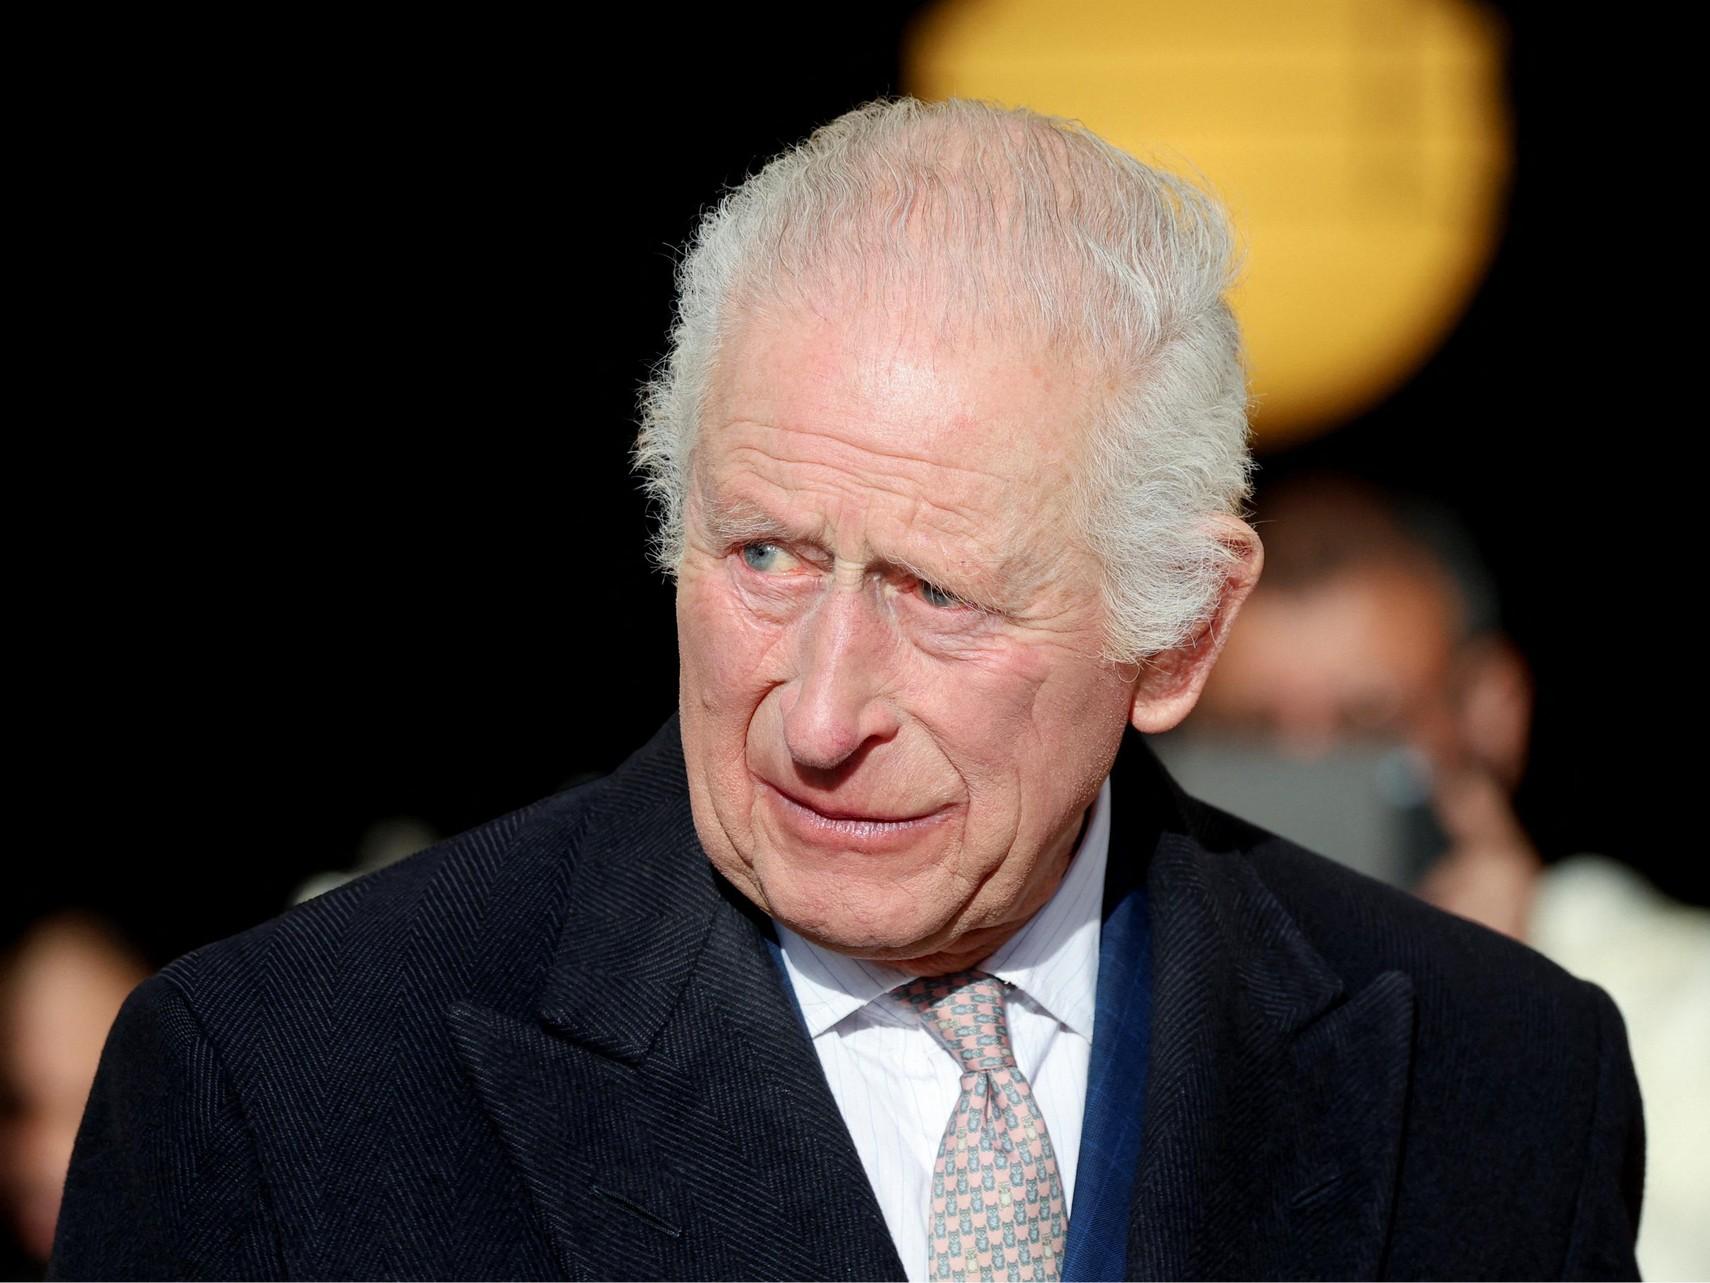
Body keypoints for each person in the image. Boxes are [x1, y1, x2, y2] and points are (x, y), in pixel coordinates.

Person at [51, 99, 1642, 1281]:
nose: (818, 718)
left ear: (1176, 633)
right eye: (764, 555)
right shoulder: (284, 1083)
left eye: (938, 595)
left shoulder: (1496, 1077)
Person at [1182, 472, 1707, 1280]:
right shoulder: (1125, 998)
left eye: (1367, 725)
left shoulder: (1682, 1005)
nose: (1309, 780)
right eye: (1250, 737)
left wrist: (1492, 1019)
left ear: (1492, 709)